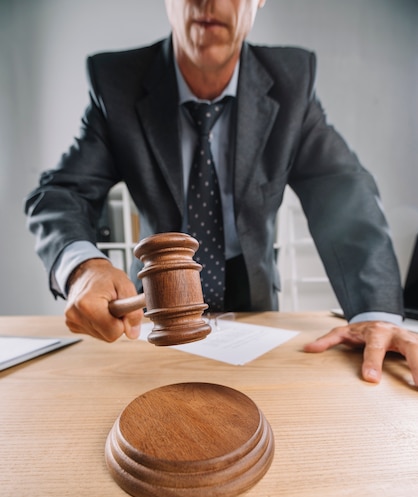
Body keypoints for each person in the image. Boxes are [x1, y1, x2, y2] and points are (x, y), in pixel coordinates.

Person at [25, 0, 418, 386]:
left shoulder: (292, 81)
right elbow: (62, 193)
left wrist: (377, 312)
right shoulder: (116, 83)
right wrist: (82, 267)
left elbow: (344, 194)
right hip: (150, 310)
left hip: (254, 301)